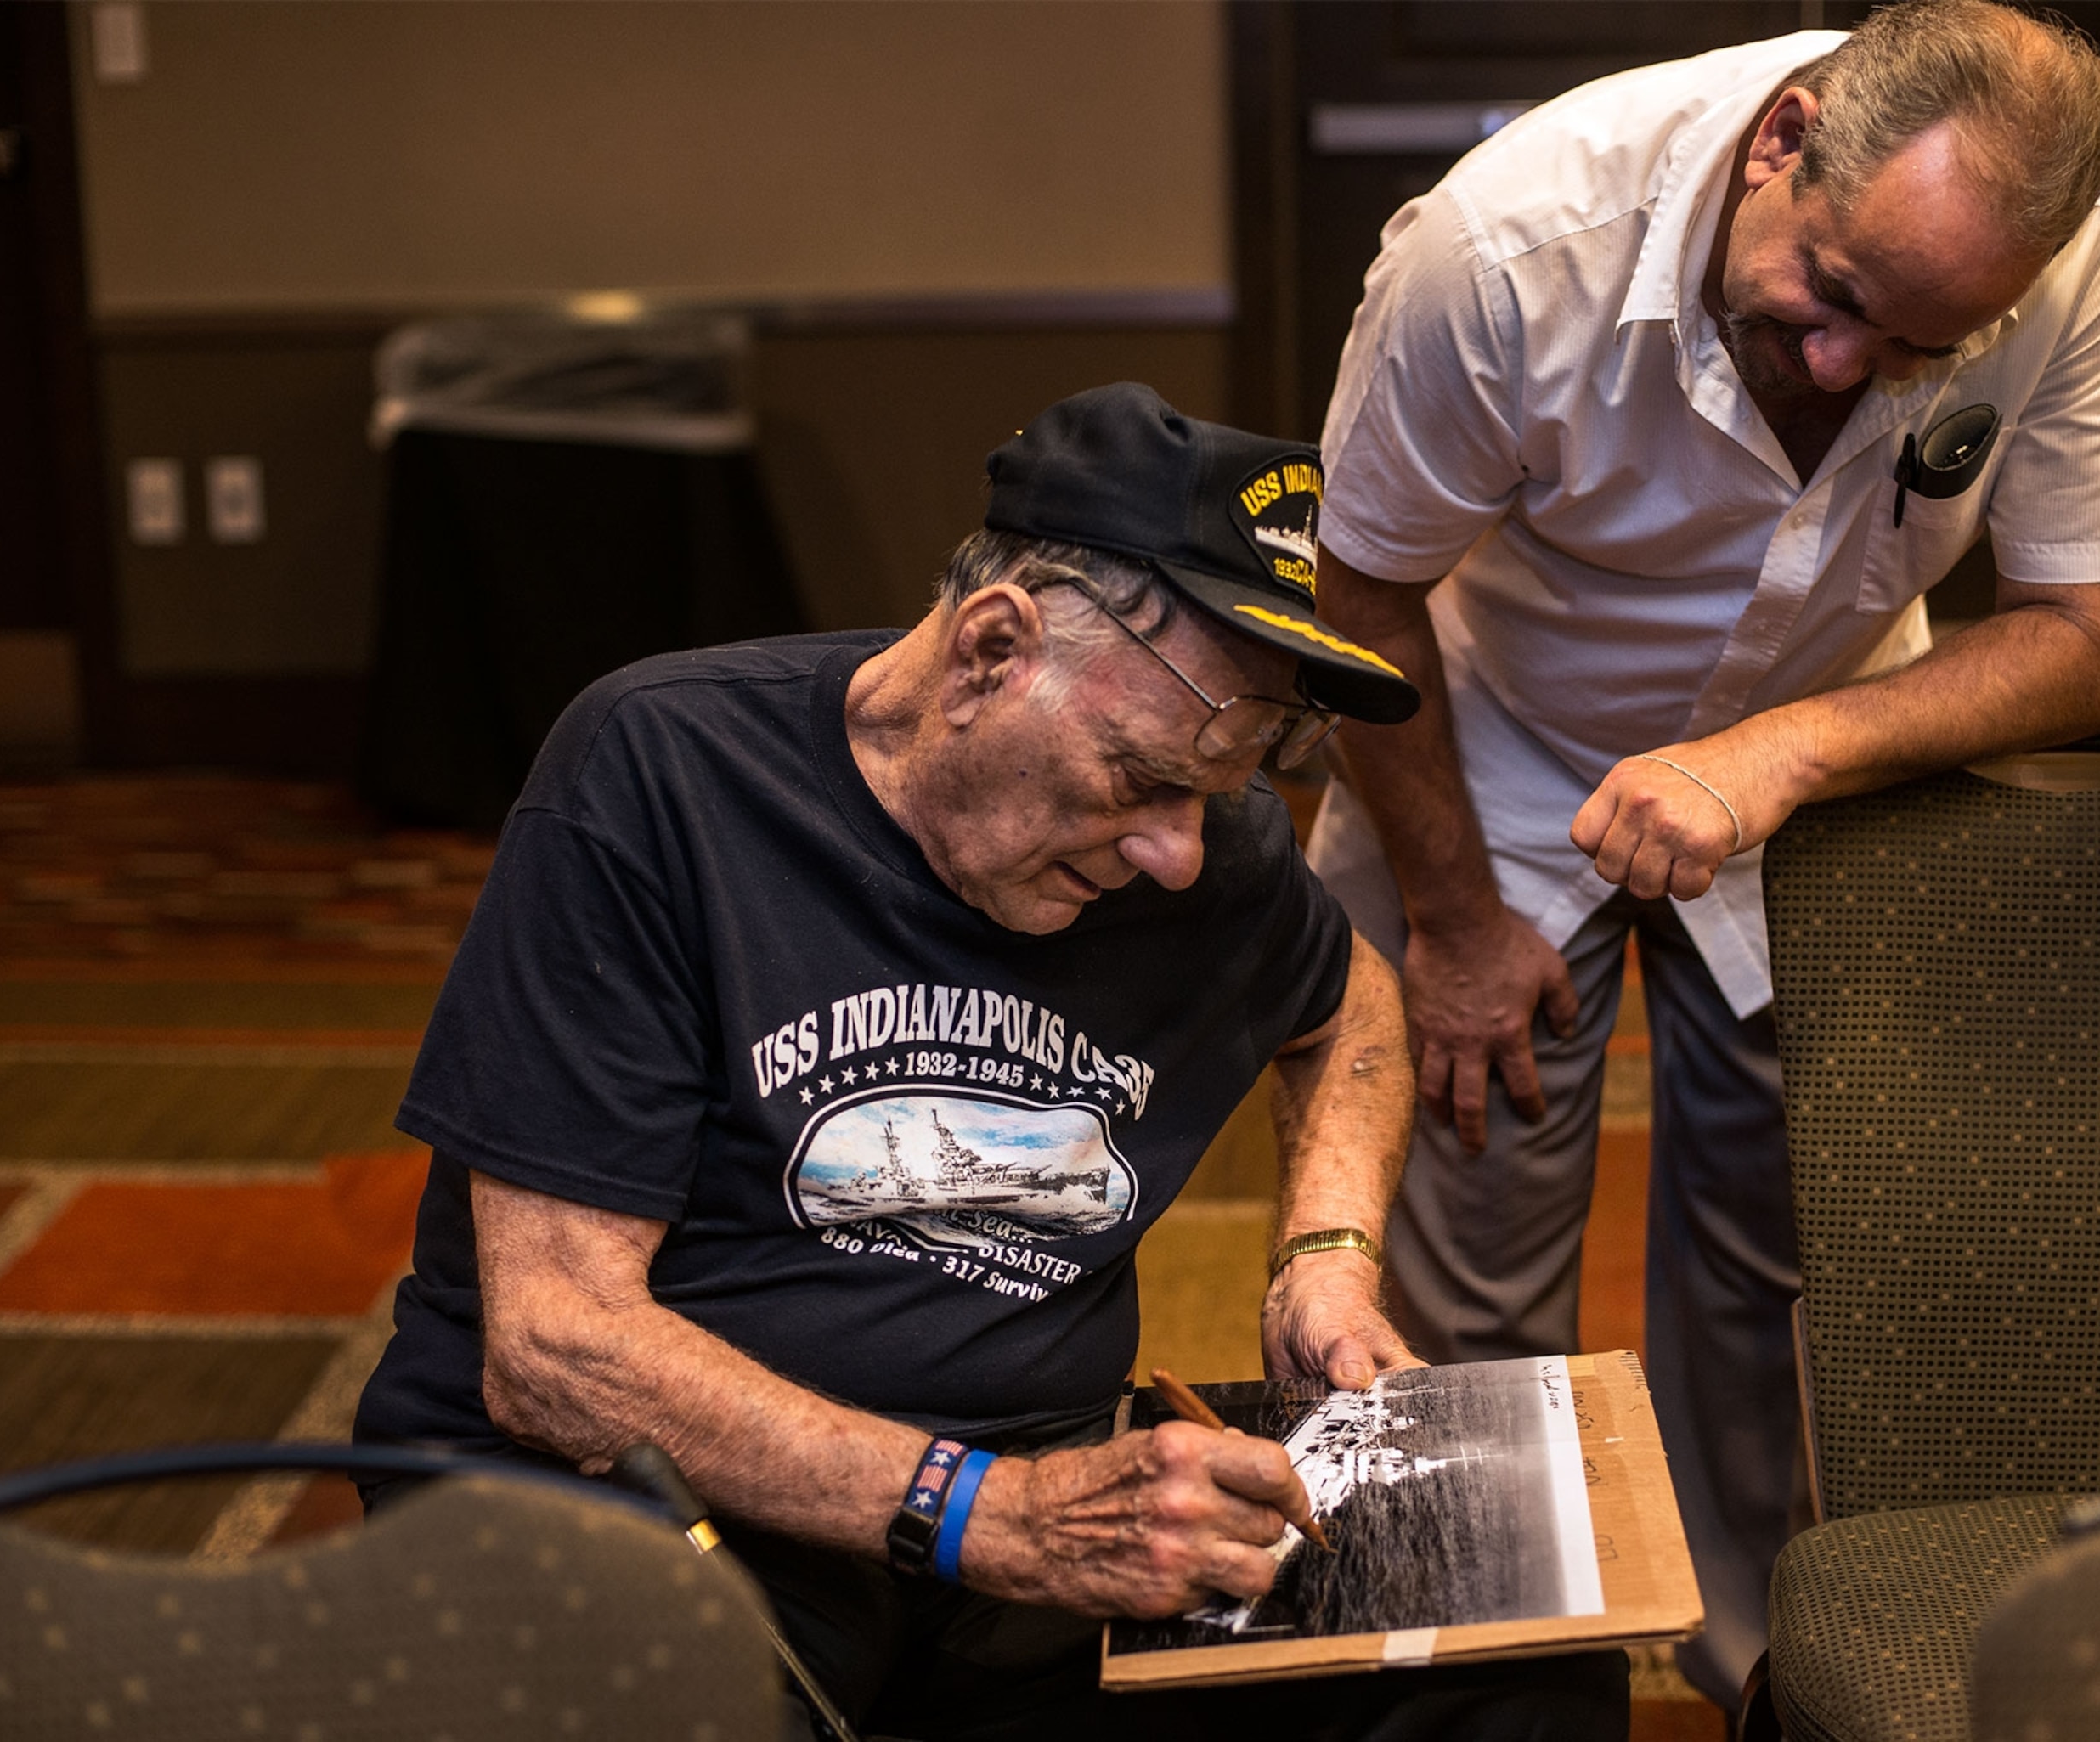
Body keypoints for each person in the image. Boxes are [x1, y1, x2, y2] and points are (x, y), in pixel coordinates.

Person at [353, 383, 1628, 1740]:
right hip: (659, 1497)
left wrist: (1325, 1260)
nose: (1180, 852)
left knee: (1518, 1670)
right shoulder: (663, 774)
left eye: (1221, 788)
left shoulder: (1205, 855)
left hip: (1030, 1513)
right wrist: (984, 1513)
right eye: (1141, 778)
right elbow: (557, 1352)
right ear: (991, 650)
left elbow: (1353, 1005)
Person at [1305, 0, 2100, 1711]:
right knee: (1469, 1280)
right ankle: (1485, 1681)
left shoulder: (2066, 239)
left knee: (1783, 1263)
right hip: (1490, 753)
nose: (1855, 371)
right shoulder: (1504, 247)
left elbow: (2089, 633)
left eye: (1927, 348)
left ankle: (1746, 1678)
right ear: (1782, 138)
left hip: (1817, 749)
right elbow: (1361, 597)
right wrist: (1459, 923)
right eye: (1836, 301)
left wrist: (1775, 758)